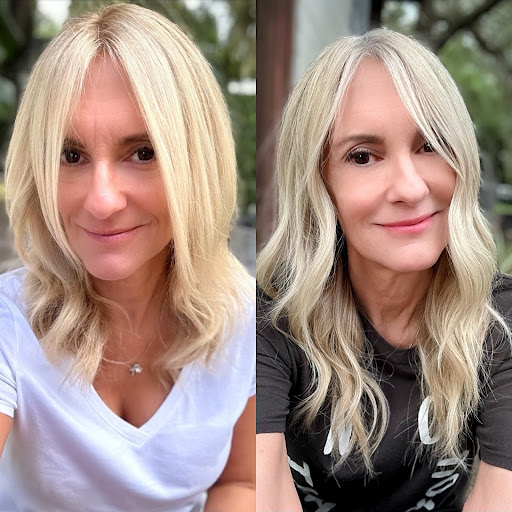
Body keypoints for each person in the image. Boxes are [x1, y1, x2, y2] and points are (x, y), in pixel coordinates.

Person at [0, 3, 255, 511]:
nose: (102, 200)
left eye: (142, 153)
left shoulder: (250, 320)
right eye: (71, 155)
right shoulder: (9, 320)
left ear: (196, 162)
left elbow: (240, 482)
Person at [256, 28, 512, 512]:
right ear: (319, 185)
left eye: (429, 144)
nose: (410, 188)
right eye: (362, 156)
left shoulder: (500, 324)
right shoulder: (266, 324)